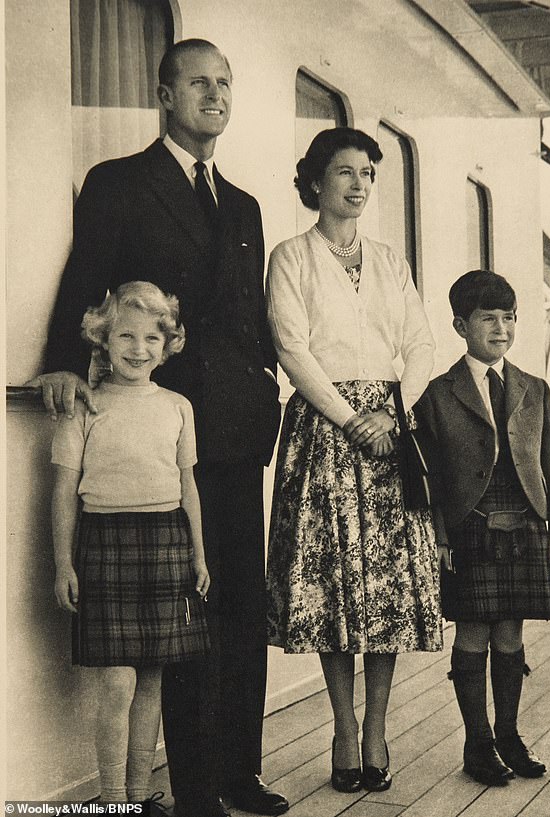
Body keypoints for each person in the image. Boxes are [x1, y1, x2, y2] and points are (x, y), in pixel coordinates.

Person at [29, 39, 286, 817]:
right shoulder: (119, 183)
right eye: (200, 82)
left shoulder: (242, 203)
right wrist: (63, 359)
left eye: (226, 84)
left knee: (240, 598)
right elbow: (85, 276)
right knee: (188, 611)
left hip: (237, 425)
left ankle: (240, 770)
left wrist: (271, 381)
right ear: (164, 94)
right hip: (160, 423)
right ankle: (196, 786)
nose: (216, 95)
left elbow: (248, 313)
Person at [265, 127, 443, 794]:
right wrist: (352, 420)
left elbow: (420, 344)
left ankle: (377, 728)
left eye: (367, 171)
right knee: (337, 583)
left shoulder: (392, 262)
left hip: (392, 432)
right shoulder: (292, 256)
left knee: (386, 586)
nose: (359, 182)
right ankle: (343, 728)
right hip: (325, 430)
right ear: (315, 181)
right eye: (344, 171)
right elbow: (291, 346)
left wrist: (392, 415)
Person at [51, 282, 210, 812]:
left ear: (167, 345)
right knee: (117, 685)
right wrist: (62, 566)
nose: (138, 348)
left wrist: (200, 556)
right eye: (125, 335)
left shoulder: (179, 406)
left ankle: (141, 799)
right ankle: (113, 800)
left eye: (151, 337)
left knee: (150, 685)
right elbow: (63, 492)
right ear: (102, 339)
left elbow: (189, 488)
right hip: (104, 544)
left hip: (167, 545)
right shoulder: (84, 407)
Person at [415, 269, 550, 787]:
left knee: (511, 631)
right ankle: (477, 743)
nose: (501, 328)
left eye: (509, 317)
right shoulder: (437, 393)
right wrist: (439, 537)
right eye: (488, 318)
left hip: (526, 524)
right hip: (471, 528)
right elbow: (432, 476)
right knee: (475, 631)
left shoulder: (534, 387)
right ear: (461, 325)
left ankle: (509, 735)